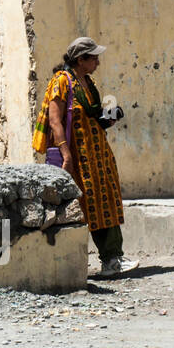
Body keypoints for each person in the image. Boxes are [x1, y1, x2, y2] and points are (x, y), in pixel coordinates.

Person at [33, 36, 139, 277]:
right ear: (81, 60)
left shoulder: (87, 84)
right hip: (78, 159)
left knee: (106, 203)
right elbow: (55, 120)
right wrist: (66, 154)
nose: (98, 63)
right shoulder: (62, 82)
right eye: (94, 58)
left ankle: (113, 259)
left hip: (97, 157)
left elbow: (91, 118)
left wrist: (108, 118)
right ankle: (101, 260)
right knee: (86, 207)